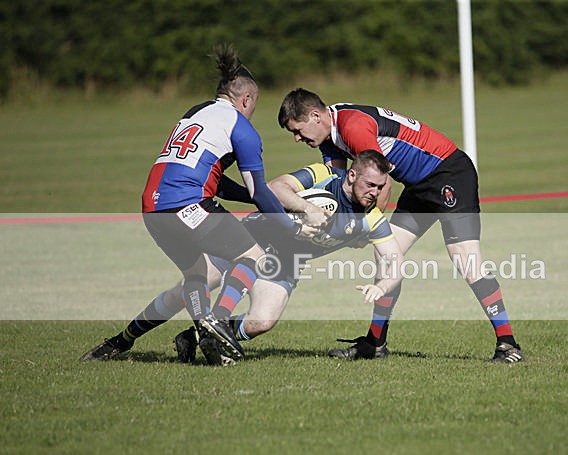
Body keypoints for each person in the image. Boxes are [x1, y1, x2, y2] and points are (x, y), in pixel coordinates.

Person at [99, 44, 317, 365]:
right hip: (188, 204)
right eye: (253, 104)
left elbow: (215, 180)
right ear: (246, 99)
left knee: (195, 273)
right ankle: (217, 320)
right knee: (253, 255)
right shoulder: (242, 128)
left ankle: (182, 331)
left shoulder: (196, 112)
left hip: (152, 207)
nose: (252, 111)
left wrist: (247, 196)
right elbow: (259, 191)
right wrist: (287, 223)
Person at [81, 150, 403, 364]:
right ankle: (121, 341)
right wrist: (305, 209)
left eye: (381, 187)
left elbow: (394, 261)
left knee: (263, 321)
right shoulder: (321, 173)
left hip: (286, 263)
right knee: (193, 285)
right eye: (370, 185)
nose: (375, 193)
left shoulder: (370, 219)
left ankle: (194, 336)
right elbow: (275, 187)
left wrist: (383, 285)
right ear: (351, 176)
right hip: (255, 235)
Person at [277, 88, 524, 363]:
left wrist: (364, 225)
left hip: (448, 173)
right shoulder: (328, 135)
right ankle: (375, 343)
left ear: (315, 116)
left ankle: (508, 344)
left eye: (298, 130)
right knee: (386, 255)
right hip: (418, 185)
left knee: (464, 258)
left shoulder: (352, 126)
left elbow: (379, 181)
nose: (297, 138)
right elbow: (338, 185)